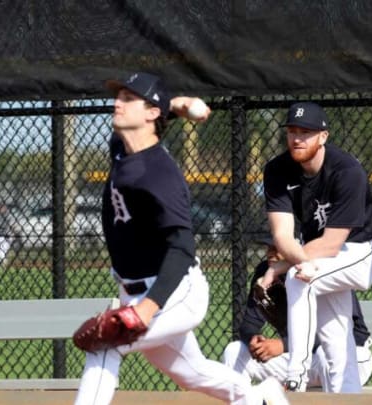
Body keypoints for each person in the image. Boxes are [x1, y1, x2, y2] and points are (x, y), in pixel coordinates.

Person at [73, 72, 286, 405]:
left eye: (129, 98)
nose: (117, 102)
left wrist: (145, 310)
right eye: (119, 96)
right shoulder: (121, 149)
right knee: (191, 372)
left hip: (173, 292)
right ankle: (260, 397)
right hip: (135, 292)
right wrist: (179, 104)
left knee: (107, 344)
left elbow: (182, 249)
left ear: (150, 113)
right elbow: (158, 114)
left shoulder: (161, 174)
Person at [260, 101, 372, 393]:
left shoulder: (347, 171)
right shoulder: (277, 170)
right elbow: (283, 236)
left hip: (360, 252)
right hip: (319, 259)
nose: (297, 138)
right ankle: (347, 396)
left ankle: (297, 372)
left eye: (306, 132)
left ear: (323, 137)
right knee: (335, 341)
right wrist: (293, 260)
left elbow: (333, 243)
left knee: (297, 277)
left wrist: (281, 266)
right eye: (292, 131)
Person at [222, 239, 372, 390]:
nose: (269, 253)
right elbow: (249, 323)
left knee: (325, 354)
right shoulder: (265, 272)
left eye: (276, 248)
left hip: (351, 357)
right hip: (301, 360)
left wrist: (283, 345)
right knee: (234, 351)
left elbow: (336, 335)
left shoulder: (321, 269)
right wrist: (253, 339)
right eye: (268, 248)